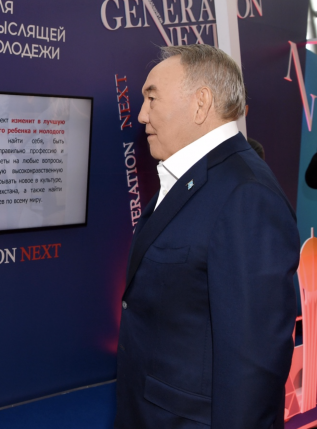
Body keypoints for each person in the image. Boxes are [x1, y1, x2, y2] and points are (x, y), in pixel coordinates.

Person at [116, 44, 299, 429]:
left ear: (200, 104)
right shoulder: (195, 179)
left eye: (152, 98)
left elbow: (254, 366)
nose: (142, 114)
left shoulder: (246, 195)